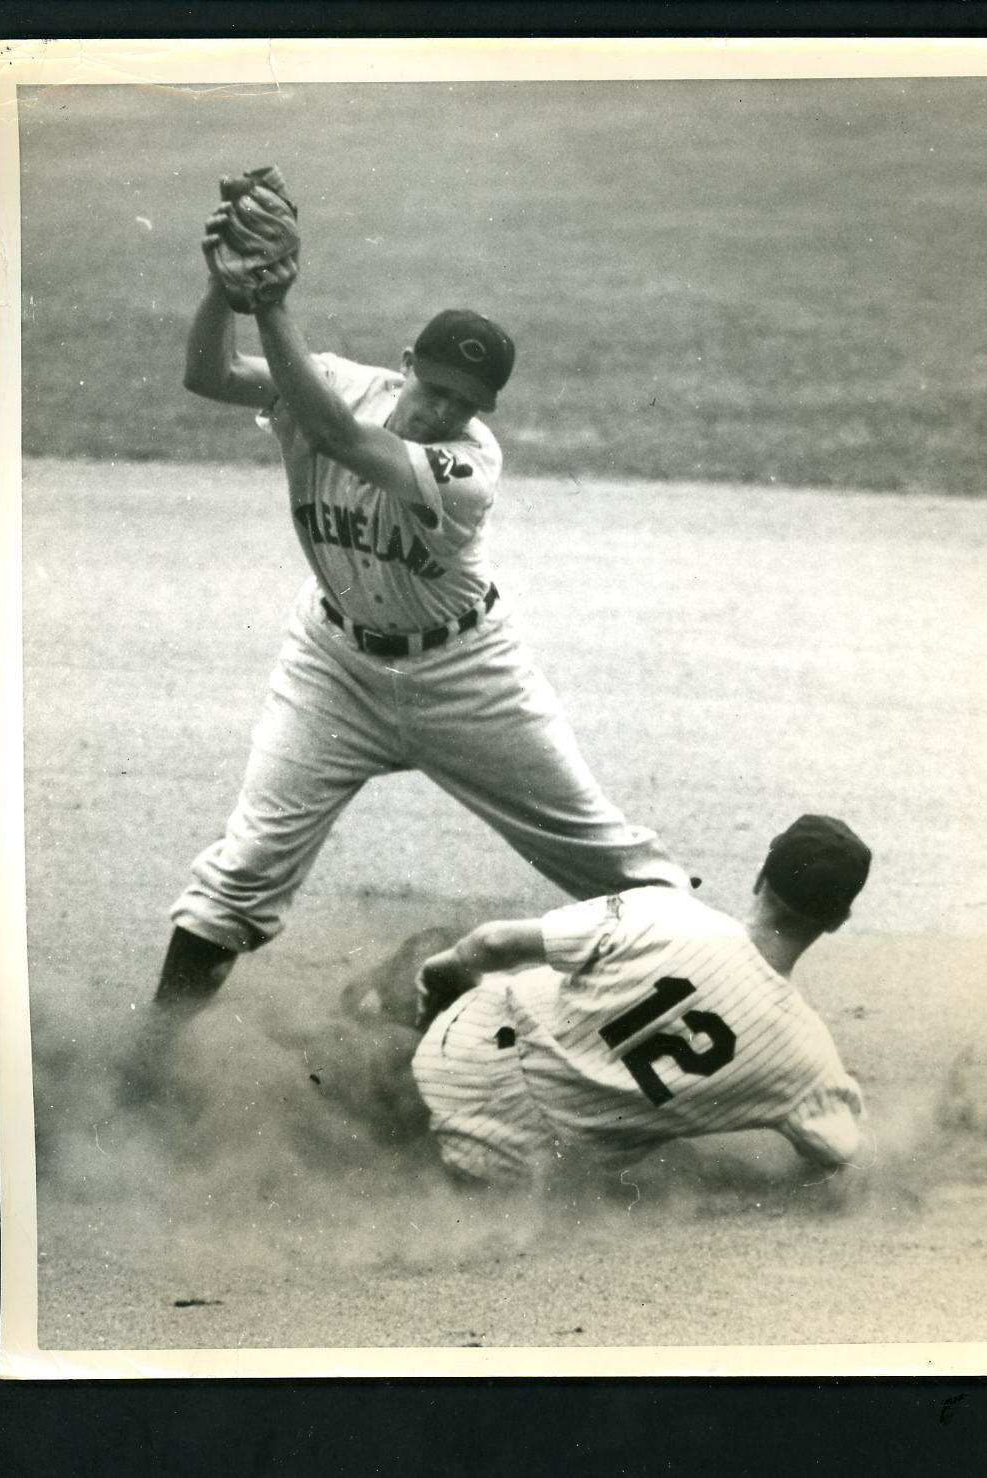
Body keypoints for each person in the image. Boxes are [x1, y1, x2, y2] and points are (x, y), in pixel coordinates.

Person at [156, 186, 689, 1009]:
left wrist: (273, 304)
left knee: (615, 863)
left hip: (465, 674)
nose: (444, 410)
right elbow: (207, 373)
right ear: (406, 362)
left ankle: (713, 983)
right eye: (435, 386)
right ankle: (149, 1063)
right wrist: (224, 297)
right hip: (332, 665)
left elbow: (334, 436)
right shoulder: (338, 380)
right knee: (241, 870)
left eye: (466, 403)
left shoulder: (471, 468)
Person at [320, 814, 874, 1188]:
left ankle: (342, 1050)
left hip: (449, 1065)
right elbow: (838, 1148)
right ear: (838, 919)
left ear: (761, 876)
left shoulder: (670, 913)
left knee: (445, 946)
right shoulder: (808, 1059)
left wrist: (437, 977)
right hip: (515, 1164)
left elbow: (493, 943)